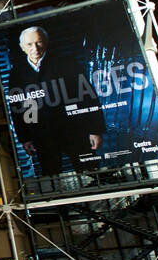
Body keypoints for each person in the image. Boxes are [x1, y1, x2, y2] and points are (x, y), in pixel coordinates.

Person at [9, 25, 105, 176]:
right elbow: (17, 106)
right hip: (42, 135)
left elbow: (88, 96)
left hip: (74, 130)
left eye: (39, 42)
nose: (35, 48)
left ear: (45, 42)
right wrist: (25, 138)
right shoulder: (17, 73)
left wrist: (95, 130)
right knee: (52, 177)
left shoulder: (66, 62)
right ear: (22, 47)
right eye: (29, 44)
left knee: (92, 172)